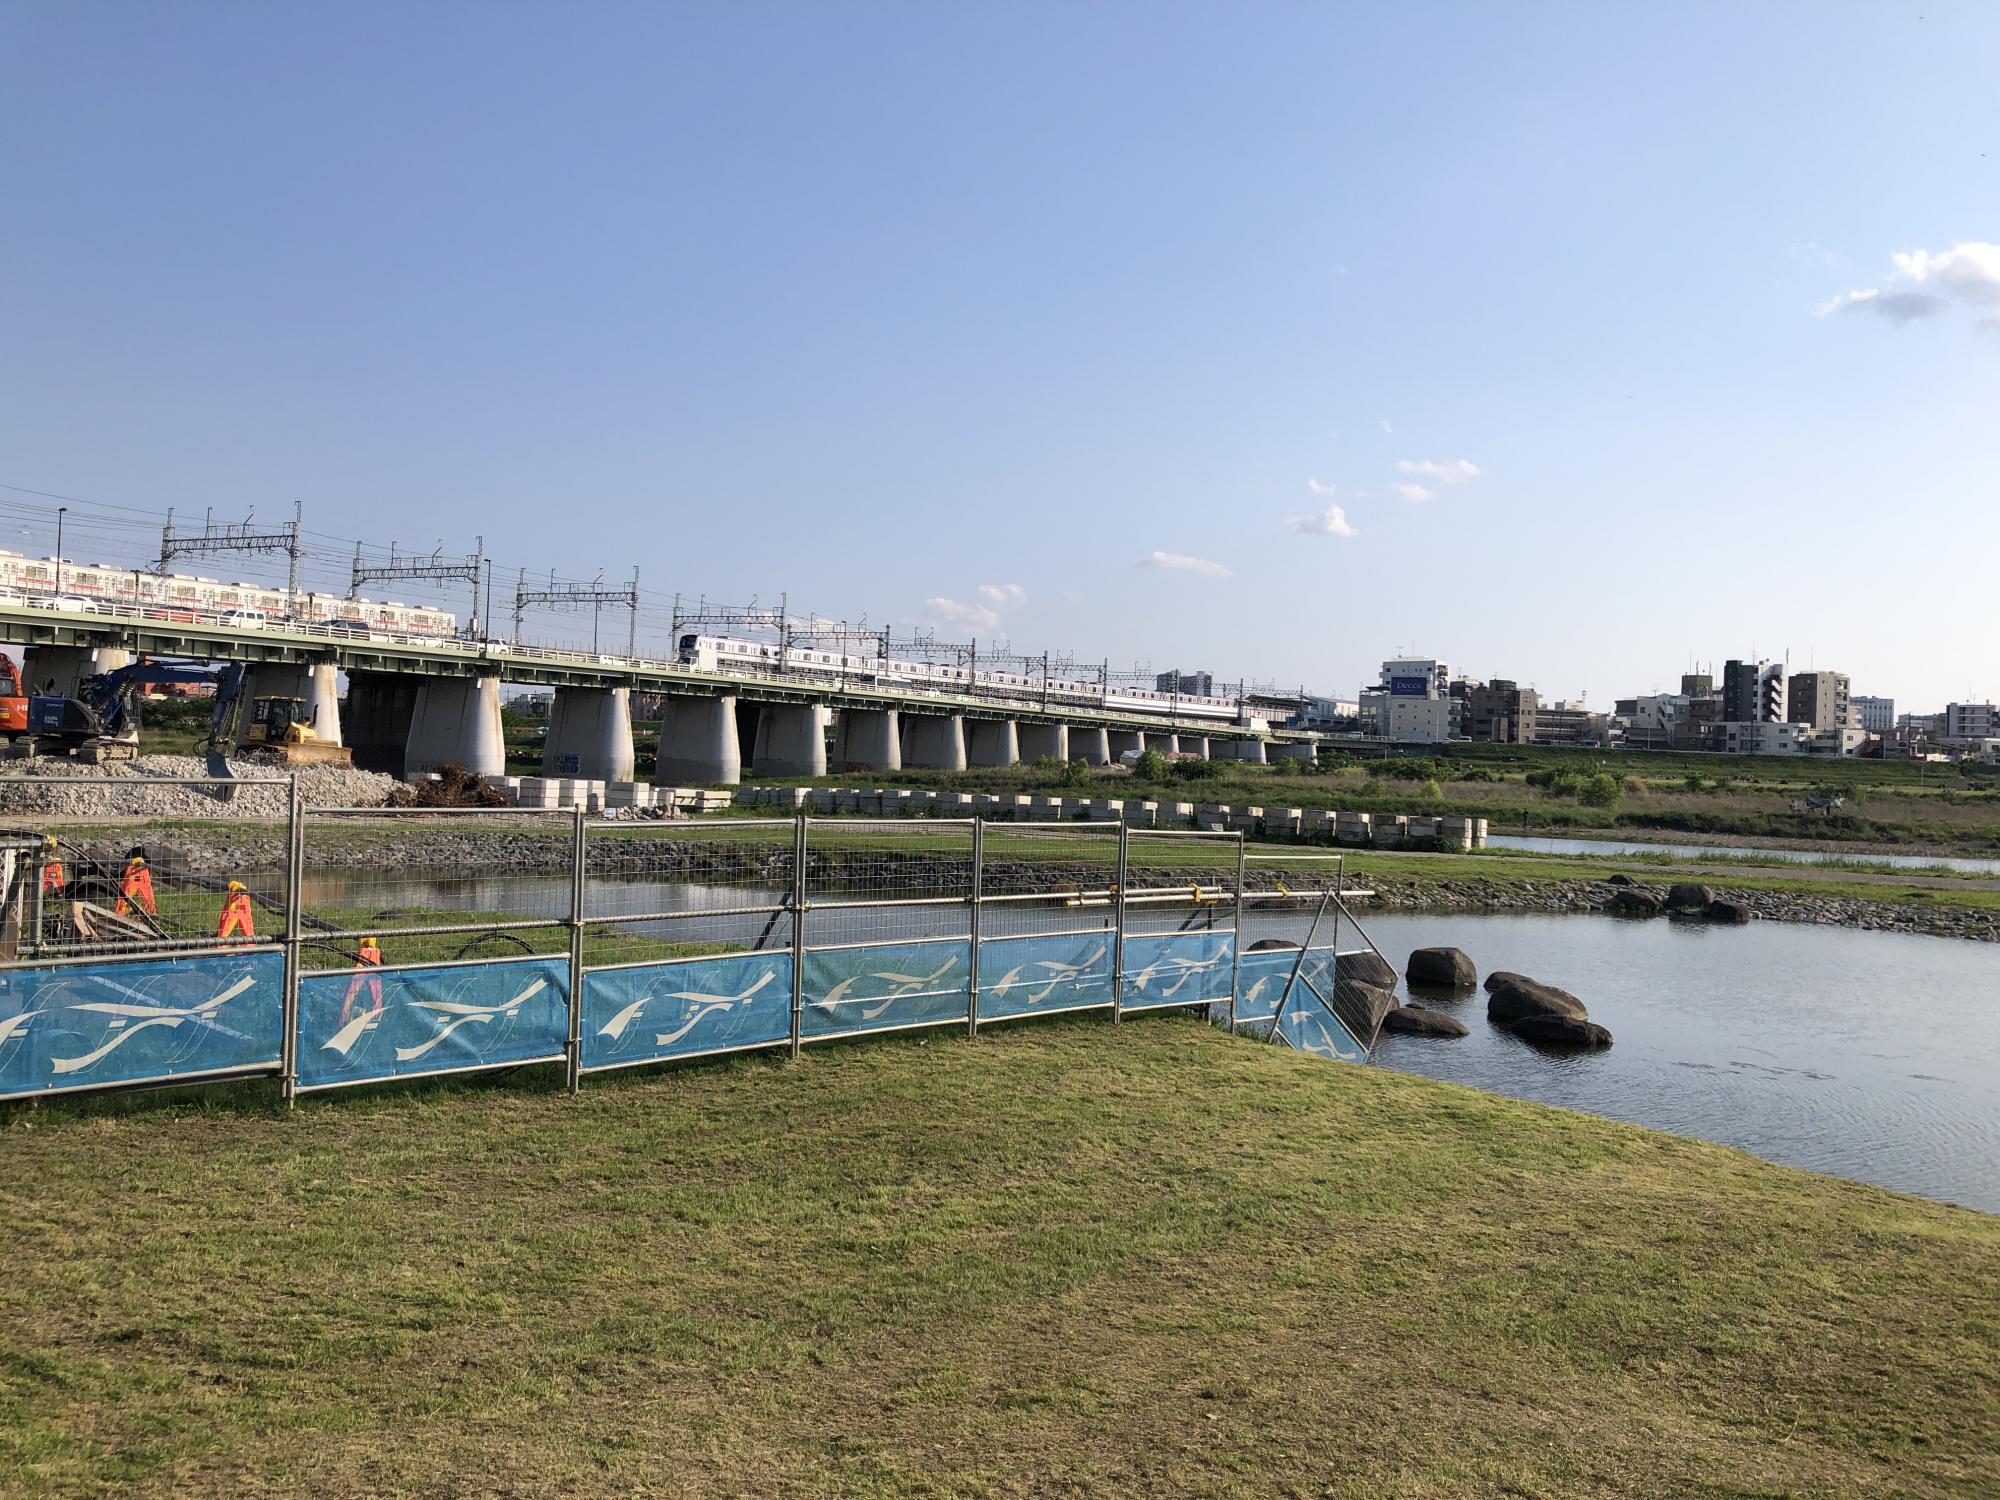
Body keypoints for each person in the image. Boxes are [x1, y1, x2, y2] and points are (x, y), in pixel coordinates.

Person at [339, 936, 384, 1023]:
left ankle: (345, 1014)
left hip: (370, 961)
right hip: (370, 962)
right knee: (377, 1008)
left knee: (346, 1008)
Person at [117, 847, 156, 916]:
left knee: (124, 897)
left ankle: (121, 912)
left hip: (135, 871)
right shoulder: (145, 863)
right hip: (138, 870)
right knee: (149, 902)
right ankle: (150, 912)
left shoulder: (134, 865)